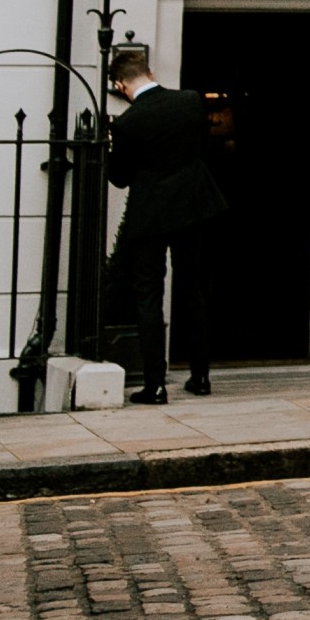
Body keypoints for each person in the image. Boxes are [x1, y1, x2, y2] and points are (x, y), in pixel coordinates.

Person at [103, 45, 228, 403]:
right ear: (150, 74)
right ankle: (201, 377)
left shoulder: (128, 123)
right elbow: (202, 148)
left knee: (149, 296)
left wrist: (114, 144)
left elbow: (120, 178)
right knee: (193, 289)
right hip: (193, 208)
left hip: (152, 216)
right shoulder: (190, 101)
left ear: (121, 86)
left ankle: (155, 385)